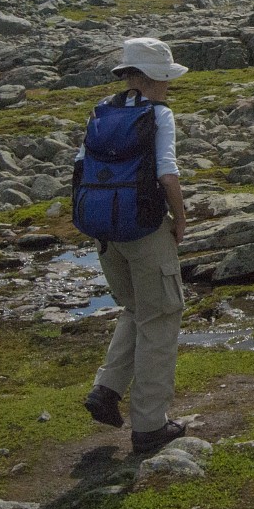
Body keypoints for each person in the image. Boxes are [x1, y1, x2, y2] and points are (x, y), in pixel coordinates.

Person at [81, 37, 191, 456]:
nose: (169, 86)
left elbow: (81, 168)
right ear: (153, 77)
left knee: (135, 307)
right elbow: (167, 173)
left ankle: (107, 388)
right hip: (145, 230)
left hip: (106, 230)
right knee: (161, 316)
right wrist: (179, 218)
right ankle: (150, 425)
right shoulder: (158, 115)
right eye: (166, 78)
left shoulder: (101, 112)